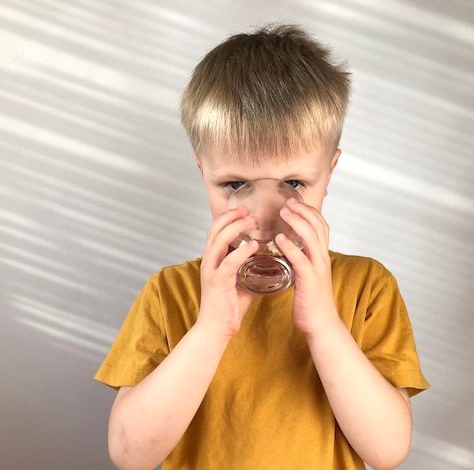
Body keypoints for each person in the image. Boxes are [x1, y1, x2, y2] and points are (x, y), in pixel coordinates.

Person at [95, 23, 429, 470]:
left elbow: (388, 451)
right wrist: (211, 328)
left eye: (294, 183)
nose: (266, 214)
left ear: (329, 174)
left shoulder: (366, 288)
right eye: (235, 183)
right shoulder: (171, 293)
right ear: (202, 173)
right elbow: (130, 455)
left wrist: (325, 327)